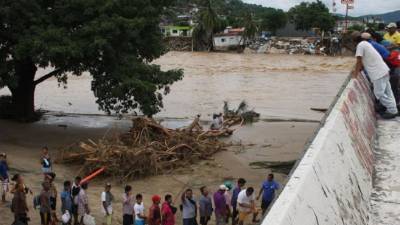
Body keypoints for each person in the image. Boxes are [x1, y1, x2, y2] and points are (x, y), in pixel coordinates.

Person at [353, 31, 398, 119]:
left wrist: (355, 74)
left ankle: (392, 110)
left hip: (378, 73)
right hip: (384, 70)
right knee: (388, 92)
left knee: (379, 93)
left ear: (355, 40)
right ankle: (393, 109)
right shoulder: (366, 44)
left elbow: (359, 61)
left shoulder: (361, 45)